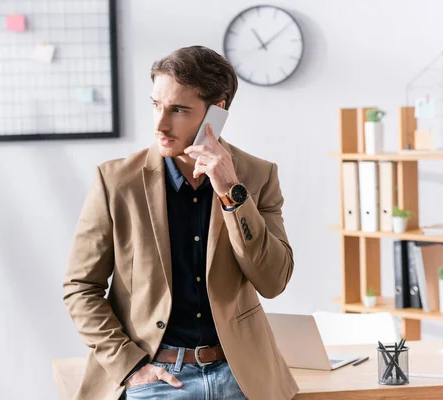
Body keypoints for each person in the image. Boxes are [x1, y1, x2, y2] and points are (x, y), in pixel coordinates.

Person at [63, 45, 298, 400]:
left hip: (241, 378)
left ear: (215, 113)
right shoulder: (116, 182)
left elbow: (273, 280)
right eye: (156, 105)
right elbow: (80, 287)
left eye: (177, 110)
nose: (160, 123)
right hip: (156, 379)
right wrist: (130, 365)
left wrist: (231, 193)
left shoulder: (257, 176)